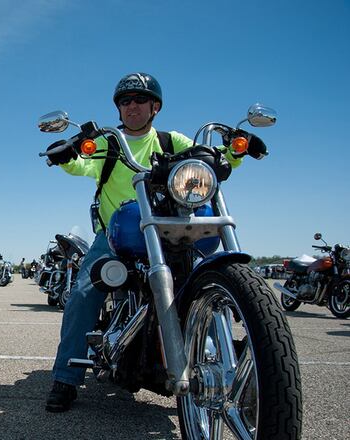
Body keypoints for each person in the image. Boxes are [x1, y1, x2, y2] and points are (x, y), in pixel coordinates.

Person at [42, 72, 246, 412]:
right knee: (82, 293)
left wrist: (235, 150)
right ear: (119, 109)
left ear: (155, 107)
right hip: (115, 235)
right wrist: (66, 156)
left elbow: (206, 158)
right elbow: (81, 164)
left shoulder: (171, 142)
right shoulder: (109, 141)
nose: (132, 106)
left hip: (168, 231)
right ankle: (65, 378)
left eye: (139, 99)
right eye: (125, 101)